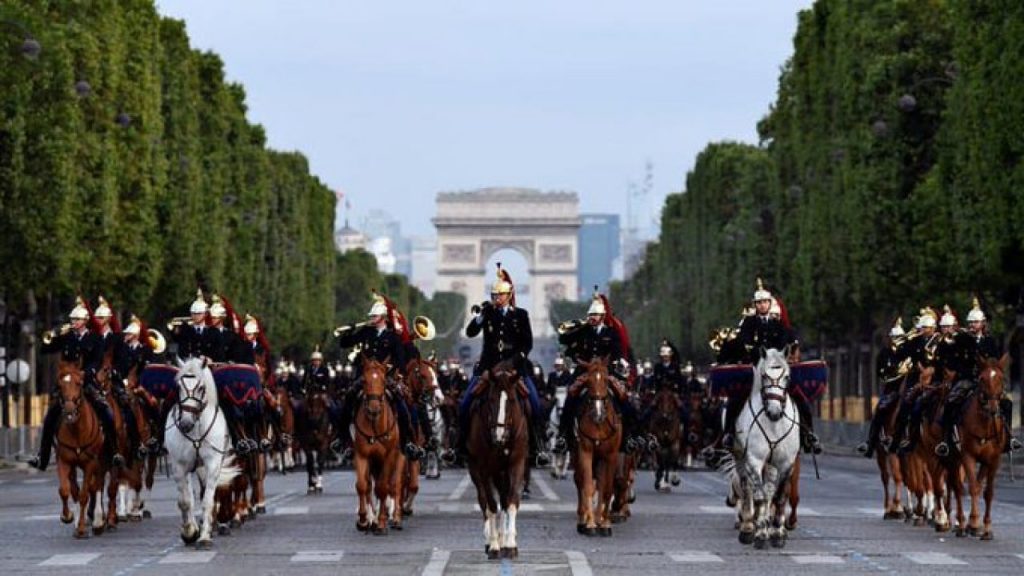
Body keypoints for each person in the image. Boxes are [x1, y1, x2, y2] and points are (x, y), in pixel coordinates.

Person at [458, 264, 551, 466]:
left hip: (515, 369)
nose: (496, 298)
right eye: (494, 295)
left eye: (499, 295)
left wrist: (513, 362)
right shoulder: (488, 314)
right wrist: (480, 316)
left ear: (509, 295)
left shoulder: (521, 315)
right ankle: (458, 447)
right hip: (487, 369)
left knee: (535, 405)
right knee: (465, 404)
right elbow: (470, 332)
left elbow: (527, 344)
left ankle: (539, 446)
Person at [721, 279, 821, 454]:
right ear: (755, 305)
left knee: (800, 398)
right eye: (758, 303)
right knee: (735, 399)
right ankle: (728, 433)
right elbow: (744, 341)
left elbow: (786, 341)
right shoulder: (748, 323)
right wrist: (752, 349)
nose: (762, 305)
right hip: (756, 369)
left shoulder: (778, 324)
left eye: (765, 302)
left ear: (769, 303)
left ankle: (808, 434)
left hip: (777, 369)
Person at [29, 297, 124, 470]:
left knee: (106, 412)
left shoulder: (95, 338)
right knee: (50, 417)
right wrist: (54, 335)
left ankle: (115, 451)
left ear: (86, 321)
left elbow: (97, 361)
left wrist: (85, 373)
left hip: (85, 381)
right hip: (67, 384)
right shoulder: (67, 337)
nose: (74, 322)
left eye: (78, 319)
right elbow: (46, 349)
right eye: (72, 319)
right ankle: (42, 456)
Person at [554, 289, 647, 454]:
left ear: (603, 317)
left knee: (623, 400)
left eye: (595, 315)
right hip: (584, 371)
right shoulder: (583, 331)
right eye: (590, 315)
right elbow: (563, 338)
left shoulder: (611, 333)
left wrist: (617, 364)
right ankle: (563, 436)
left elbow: (618, 353)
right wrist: (575, 325)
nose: (592, 318)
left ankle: (631, 435)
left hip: (606, 372)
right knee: (570, 399)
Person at [334, 293, 421, 460]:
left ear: (382, 318)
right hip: (365, 377)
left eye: (374, 316)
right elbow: (345, 343)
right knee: (348, 401)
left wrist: (393, 372)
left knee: (402, 406)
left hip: (386, 377)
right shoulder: (365, 332)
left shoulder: (392, 337)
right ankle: (342, 439)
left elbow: (400, 359)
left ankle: (406, 441)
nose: (371, 318)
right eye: (371, 316)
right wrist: (350, 331)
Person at [935, 299, 1021, 456]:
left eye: (976, 322)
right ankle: (946, 440)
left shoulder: (990, 341)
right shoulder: (962, 339)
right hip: (967, 378)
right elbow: (956, 361)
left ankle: (1008, 439)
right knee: (951, 402)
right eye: (971, 322)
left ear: (983, 323)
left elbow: (995, 361)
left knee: (1007, 404)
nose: (973, 325)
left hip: (987, 381)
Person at [857, 318, 912, 457]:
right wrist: (895, 372)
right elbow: (880, 373)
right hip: (891, 389)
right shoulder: (884, 353)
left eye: (899, 337)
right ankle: (871, 442)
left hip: (909, 388)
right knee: (880, 411)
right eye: (894, 337)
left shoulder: (908, 352)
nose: (897, 340)